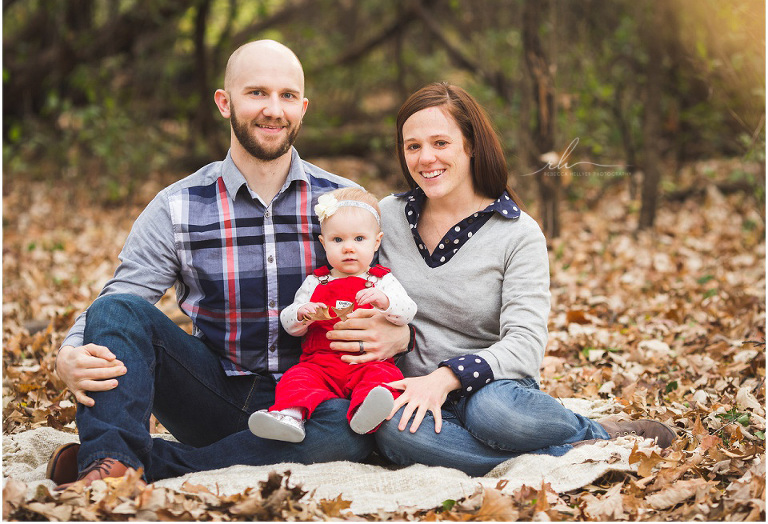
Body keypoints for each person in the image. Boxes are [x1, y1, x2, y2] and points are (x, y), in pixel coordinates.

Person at [47, 40, 412, 489]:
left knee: (349, 431)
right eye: (257, 93)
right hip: (210, 390)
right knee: (116, 309)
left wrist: (402, 332)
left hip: (313, 397)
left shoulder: (345, 203)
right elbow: (125, 297)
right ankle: (112, 464)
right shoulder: (177, 206)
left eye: (288, 96)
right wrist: (68, 353)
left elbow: (397, 287)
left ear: (303, 108)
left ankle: (128, 462)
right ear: (225, 102)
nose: (273, 110)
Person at [365, 82, 676, 477]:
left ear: (471, 145)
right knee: (395, 433)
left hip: (494, 389)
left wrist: (448, 377)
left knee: (495, 416)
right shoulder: (385, 218)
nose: (426, 158)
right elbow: (355, 287)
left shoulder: (517, 233)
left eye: (440, 142)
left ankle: (598, 433)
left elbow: (525, 344)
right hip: (416, 391)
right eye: (413, 146)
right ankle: (566, 453)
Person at [248, 187, 417, 442]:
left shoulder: (381, 281)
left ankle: (366, 412)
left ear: (377, 241)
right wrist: (301, 314)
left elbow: (407, 312)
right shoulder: (316, 282)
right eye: (338, 240)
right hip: (321, 364)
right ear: (323, 243)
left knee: (384, 377)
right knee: (297, 378)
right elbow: (289, 324)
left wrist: (386, 303)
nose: (349, 248)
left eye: (359, 239)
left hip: (366, 362)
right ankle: (290, 417)